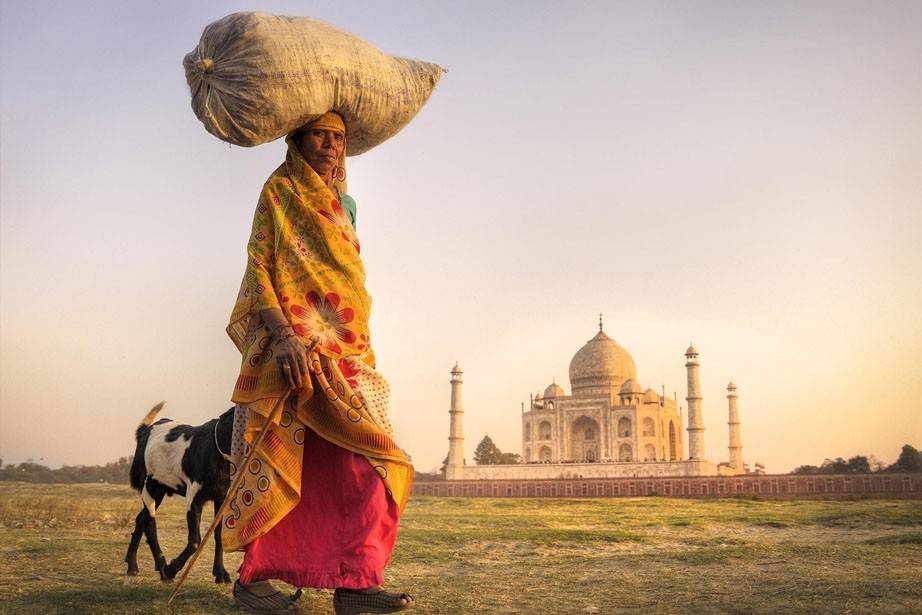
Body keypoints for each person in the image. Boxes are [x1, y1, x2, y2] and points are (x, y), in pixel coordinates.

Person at [223, 111, 414, 614]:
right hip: (292, 350)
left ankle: (355, 583)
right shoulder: (279, 193)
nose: (330, 145)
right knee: (280, 455)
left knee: (369, 462)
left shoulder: (346, 204)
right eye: (319, 136)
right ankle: (253, 581)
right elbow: (261, 267)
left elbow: (345, 274)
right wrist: (285, 336)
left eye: (337, 138)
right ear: (297, 141)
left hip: (346, 350)